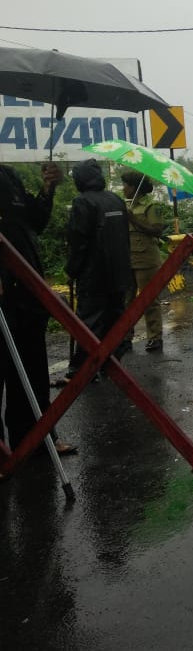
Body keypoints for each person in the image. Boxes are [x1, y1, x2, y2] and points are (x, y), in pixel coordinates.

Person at [0, 161, 76, 455]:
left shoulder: (8, 175)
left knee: (32, 368)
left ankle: (37, 438)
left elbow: (35, 222)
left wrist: (48, 189)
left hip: (28, 289)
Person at [63, 159, 134, 381]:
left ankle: (83, 368)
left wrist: (72, 270)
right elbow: (125, 237)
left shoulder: (82, 202)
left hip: (94, 275)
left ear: (80, 179)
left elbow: (78, 241)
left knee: (89, 320)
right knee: (115, 318)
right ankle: (110, 361)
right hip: (120, 272)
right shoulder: (115, 199)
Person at [121, 171, 166, 352]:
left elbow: (157, 230)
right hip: (127, 258)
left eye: (125, 185)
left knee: (149, 299)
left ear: (133, 187)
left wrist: (134, 220)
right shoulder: (125, 205)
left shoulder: (150, 206)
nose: (123, 189)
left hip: (146, 258)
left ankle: (155, 337)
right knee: (126, 300)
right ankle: (125, 336)